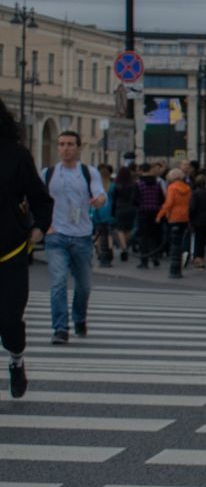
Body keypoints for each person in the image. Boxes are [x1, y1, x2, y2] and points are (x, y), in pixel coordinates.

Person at [1, 100, 54, 397]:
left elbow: (40, 197)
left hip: (9, 249)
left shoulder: (16, 155)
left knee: (8, 319)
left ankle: (16, 359)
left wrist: (38, 228)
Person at [41, 130, 108, 343]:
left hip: (81, 236)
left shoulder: (88, 172)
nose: (65, 148)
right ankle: (60, 329)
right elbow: (37, 199)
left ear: (78, 148)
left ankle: (79, 318)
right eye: (61, 144)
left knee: (84, 285)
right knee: (58, 282)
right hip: (56, 236)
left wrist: (99, 200)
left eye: (70, 144)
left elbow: (99, 192)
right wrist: (43, 226)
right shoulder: (48, 173)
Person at [155, 168, 192, 279]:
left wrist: (159, 215)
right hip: (185, 217)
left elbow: (168, 203)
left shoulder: (172, 188)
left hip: (174, 217)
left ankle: (174, 268)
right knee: (180, 241)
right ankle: (179, 264)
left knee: (174, 242)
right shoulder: (188, 188)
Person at [134, 164, 166, 268]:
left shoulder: (138, 184)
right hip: (155, 213)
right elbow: (162, 199)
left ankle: (144, 260)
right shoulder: (157, 184)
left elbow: (135, 200)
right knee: (153, 237)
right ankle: (155, 257)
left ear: (142, 171)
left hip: (143, 213)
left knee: (143, 237)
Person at [110, 166, 138, 263]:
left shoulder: (117, 185)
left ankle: (124, 248)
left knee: (120, 229)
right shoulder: (133, 185)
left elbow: (113, 199)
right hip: (131, 208)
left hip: (120, 208)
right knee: (128, 229)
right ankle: (125, 245)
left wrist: (112, 211)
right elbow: (136, 198)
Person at [188, 174, 206, 271]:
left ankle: (200, 261)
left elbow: (192, 209)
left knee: (199, 241)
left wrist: (191, 220)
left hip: (198, 221)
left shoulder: (195, 193)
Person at [91, 164, 115, 267]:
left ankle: (99, 251)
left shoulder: (96, 187)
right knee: (109, 234)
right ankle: (110, 251)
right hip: (109, 212)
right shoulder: (112, 185)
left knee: (98, 233)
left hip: (98, 210)